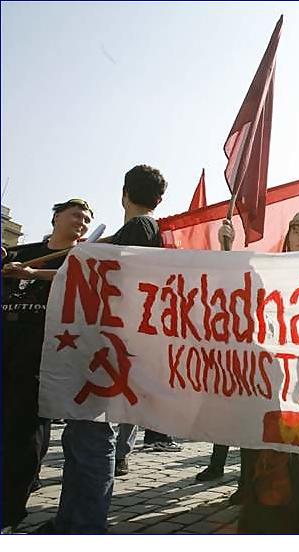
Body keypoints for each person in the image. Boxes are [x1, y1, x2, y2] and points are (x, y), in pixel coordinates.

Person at [40, 165, 168, 534]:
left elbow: (93, 275)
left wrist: (36, 274)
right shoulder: (145, 231)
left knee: (93, 436)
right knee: (81, 433)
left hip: (109, 345)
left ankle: (83, 525)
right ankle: (72, 518)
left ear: (124, 193)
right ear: (159, 198)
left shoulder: (137, 230)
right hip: (113, 342)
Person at [219, 212, 299, 534]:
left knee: (296, 452)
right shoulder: (270, 272)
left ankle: (293, 516)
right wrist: (226, 249)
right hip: (268, 375)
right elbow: (239, 287)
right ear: (288, 238)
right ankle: (258, 516)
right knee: (259, 446)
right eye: (296, 230)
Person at [2, 198, 94, 533]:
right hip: (5, 339)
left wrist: (31, 273)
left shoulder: (80, 258)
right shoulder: (22, 250)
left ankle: (10, 510)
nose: (81, 222)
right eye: (76, 215)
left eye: (86, 218)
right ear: (56, 217)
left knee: (25, 431)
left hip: (39, 349)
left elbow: (75, 281)